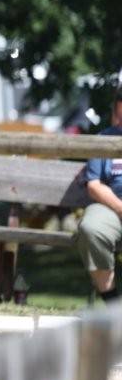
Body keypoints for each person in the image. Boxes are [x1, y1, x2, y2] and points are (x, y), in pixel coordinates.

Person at [74, 85, 122, 303]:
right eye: (119, 115)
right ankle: (112, 304)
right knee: (91, 228)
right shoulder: (104, 139)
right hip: (112, 206)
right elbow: (94, 185)